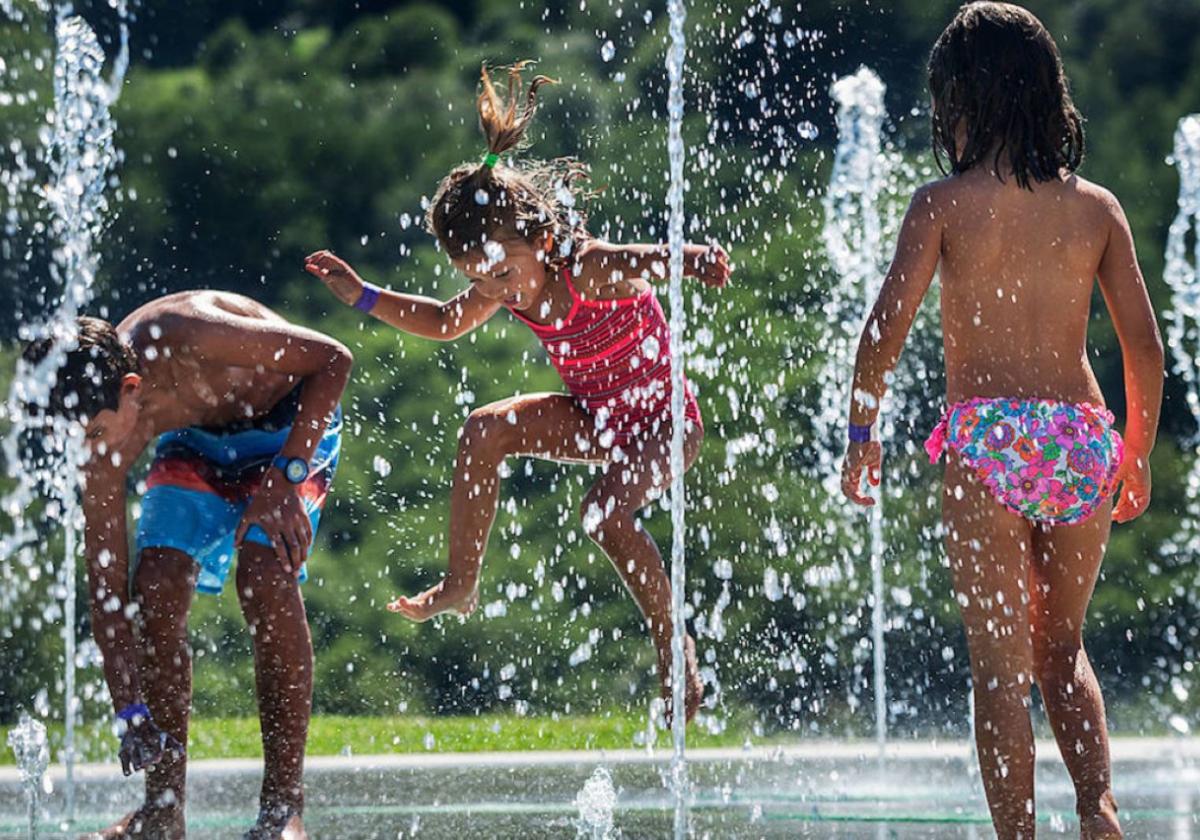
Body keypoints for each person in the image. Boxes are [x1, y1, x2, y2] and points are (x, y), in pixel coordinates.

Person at [307, 62, 729, 725]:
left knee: (602, 515)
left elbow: (638, 260)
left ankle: (674, 651)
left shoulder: (584, 267)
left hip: (666, 426)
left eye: (504, 274)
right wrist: (362, 295)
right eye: (483, 282)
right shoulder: (500, 283)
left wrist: (691, 259)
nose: (499, 294)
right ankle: (461, 584)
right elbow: (444, 322)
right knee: (483, 429)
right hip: (598, 421)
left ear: (537, 239)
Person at [839, 4, 1163, 839]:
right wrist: (1136, 452)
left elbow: (882, 335)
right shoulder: (1095, 208)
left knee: (998, 667)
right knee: (1064, 648)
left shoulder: (943, 204)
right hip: (1082, 437)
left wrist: (861, 435)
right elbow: (1145, 350)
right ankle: (1099, 809)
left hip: (988, 441)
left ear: (961, 101)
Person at [23, 292, 352, 840]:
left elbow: (334, 360)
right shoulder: (100, 442)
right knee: (153, 585)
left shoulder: (186, 332)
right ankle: (162, 811)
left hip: (288, 430)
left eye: (96, 435)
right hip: (197, 442)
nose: (89, 455)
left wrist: (287, 476)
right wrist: (129, 711)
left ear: (131, 390)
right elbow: (106, 591)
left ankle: (282, 811)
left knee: (263, 576)